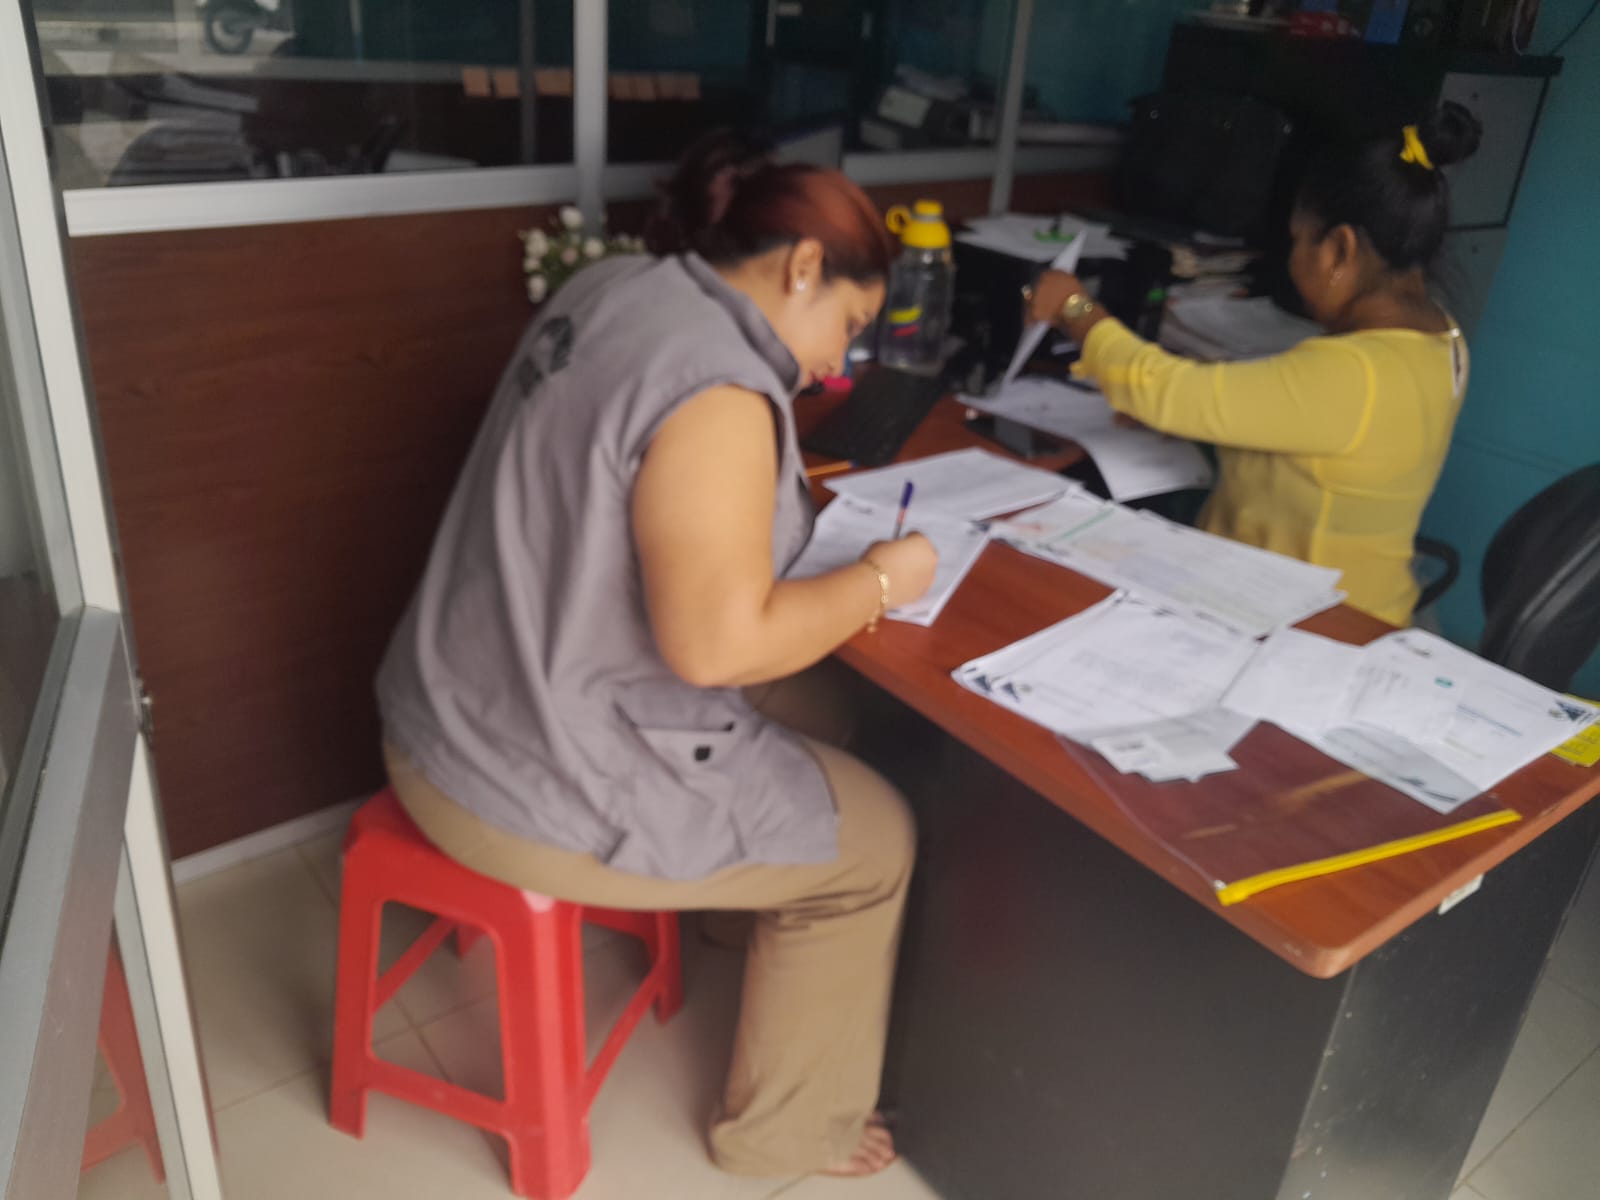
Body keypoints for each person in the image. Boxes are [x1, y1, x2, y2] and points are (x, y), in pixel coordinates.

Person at [374, 130, 938, 1179]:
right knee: (876, 845)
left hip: (449, 697)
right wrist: (879, 584)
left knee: (833, 713)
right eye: (849, 326)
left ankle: (732, 907)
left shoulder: (612, 286)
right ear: (802, 267)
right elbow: (718, 648)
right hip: (520, 771)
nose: (836, 363)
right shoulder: (718, 393)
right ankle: (780, 1134)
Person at [1028, 102, 1483, 626]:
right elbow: (1320, 442)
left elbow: (1163, 389)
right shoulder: (1443, 340)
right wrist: (1201, 424)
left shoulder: (1356, 373)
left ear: (1339, 250)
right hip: (1361, 608)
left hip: (1301, 624)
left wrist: (1075, 309)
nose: (1292, 258)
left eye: (1297, 240)